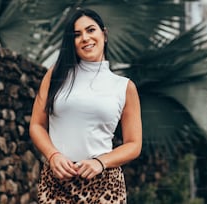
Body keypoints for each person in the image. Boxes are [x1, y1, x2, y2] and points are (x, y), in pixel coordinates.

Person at [29, 7, 142, 204]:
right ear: (71, 42)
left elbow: (133, 144)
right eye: (77, 34)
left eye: (91, 30)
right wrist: (53, 155)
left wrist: (101, 162)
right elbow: (37, 125)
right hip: (57, 183)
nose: (85, 38)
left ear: (104, 34)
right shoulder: (56, 74)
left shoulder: (124, 87)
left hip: (104, 185)